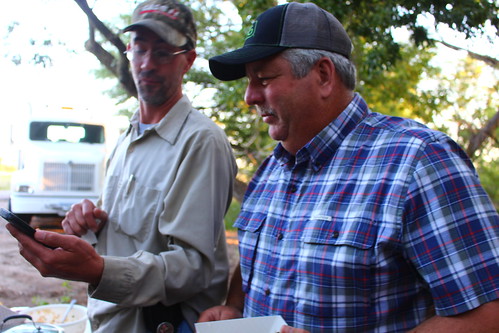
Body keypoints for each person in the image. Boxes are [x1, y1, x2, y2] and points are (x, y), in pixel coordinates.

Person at [198, 2, 499, 332]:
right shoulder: (270, 170)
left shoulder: (419, 161)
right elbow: (267, 257)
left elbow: (488, 314)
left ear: (324, 75)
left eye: (264, 78)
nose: (249, 96)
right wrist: (235, 310)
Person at [6, 0, 237, 332]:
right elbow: (127, 234)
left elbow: (193, 269)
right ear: (128, 51)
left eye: (162, 53)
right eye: (139, 50)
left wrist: (99, 271)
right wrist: (89, 223)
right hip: (108, 320)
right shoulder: (126, 137)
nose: (146, 64)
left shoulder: (201, 141)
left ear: (188, 61)